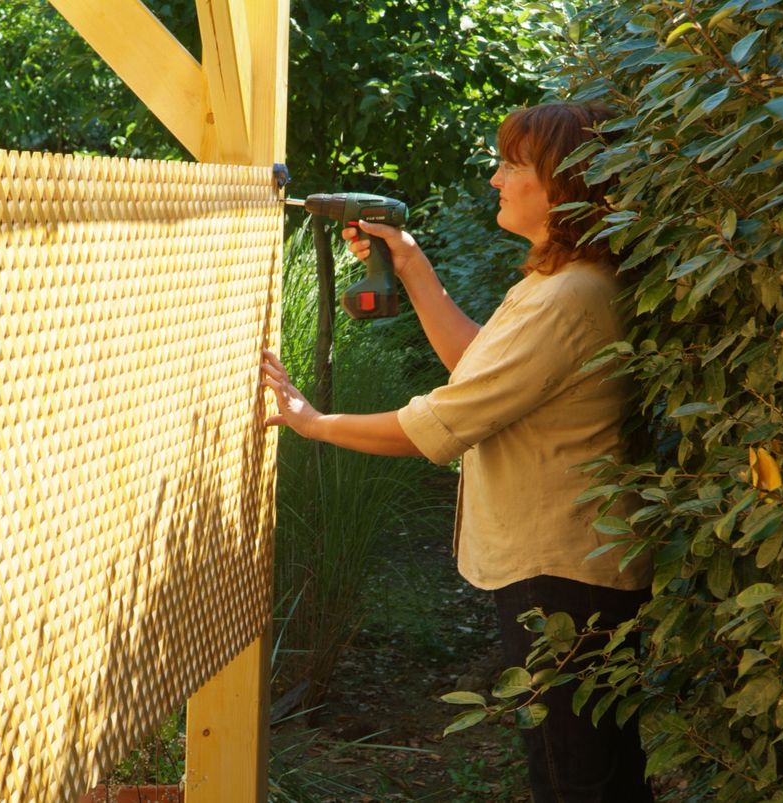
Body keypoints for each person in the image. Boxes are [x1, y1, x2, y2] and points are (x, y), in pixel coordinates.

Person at [259, 101, 654, 802]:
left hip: (560, 573)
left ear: (563, 184)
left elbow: (443, 421)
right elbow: (477, 367)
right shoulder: (559, 285)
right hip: (573, 563)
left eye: (513, 165)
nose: (497, 179)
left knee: (574, 779)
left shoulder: (566, 298)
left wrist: (312, 420)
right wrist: (409, 264)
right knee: (592, 767)